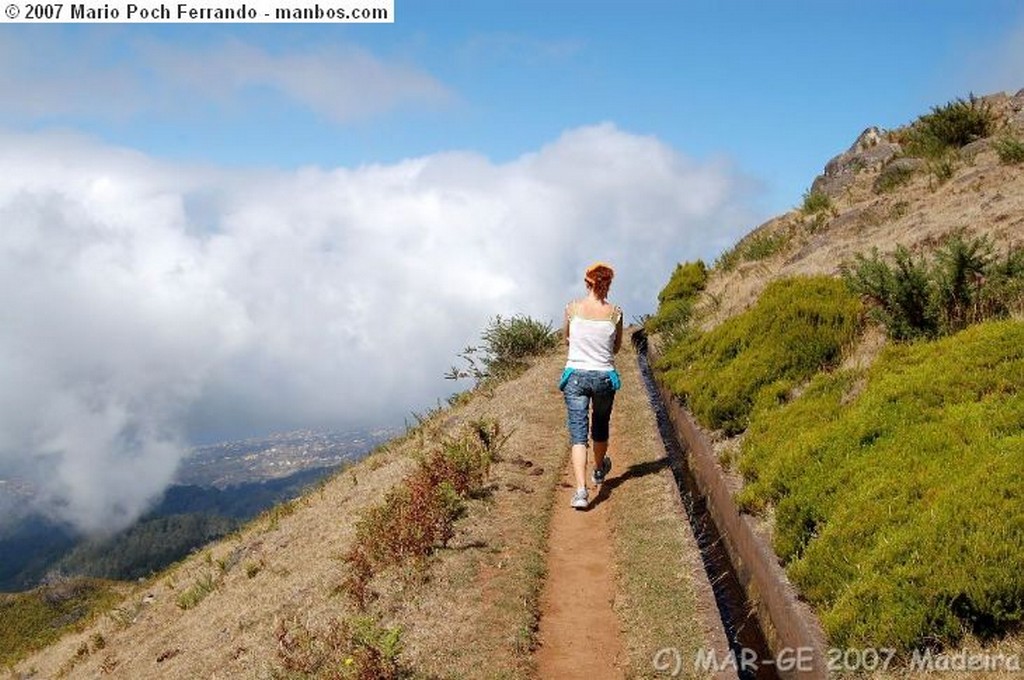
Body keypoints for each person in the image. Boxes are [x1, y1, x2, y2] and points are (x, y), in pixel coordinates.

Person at [559, 262, 623, 509]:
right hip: (604, 376)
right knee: (600, 424)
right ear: (608, 284)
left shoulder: (571, 309)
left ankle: (581, 492)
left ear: (587, 283)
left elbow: (566, 338)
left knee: (578, 434)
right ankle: (598, 469)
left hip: (575, 375)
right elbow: (616, 347)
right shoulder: (615, 313)